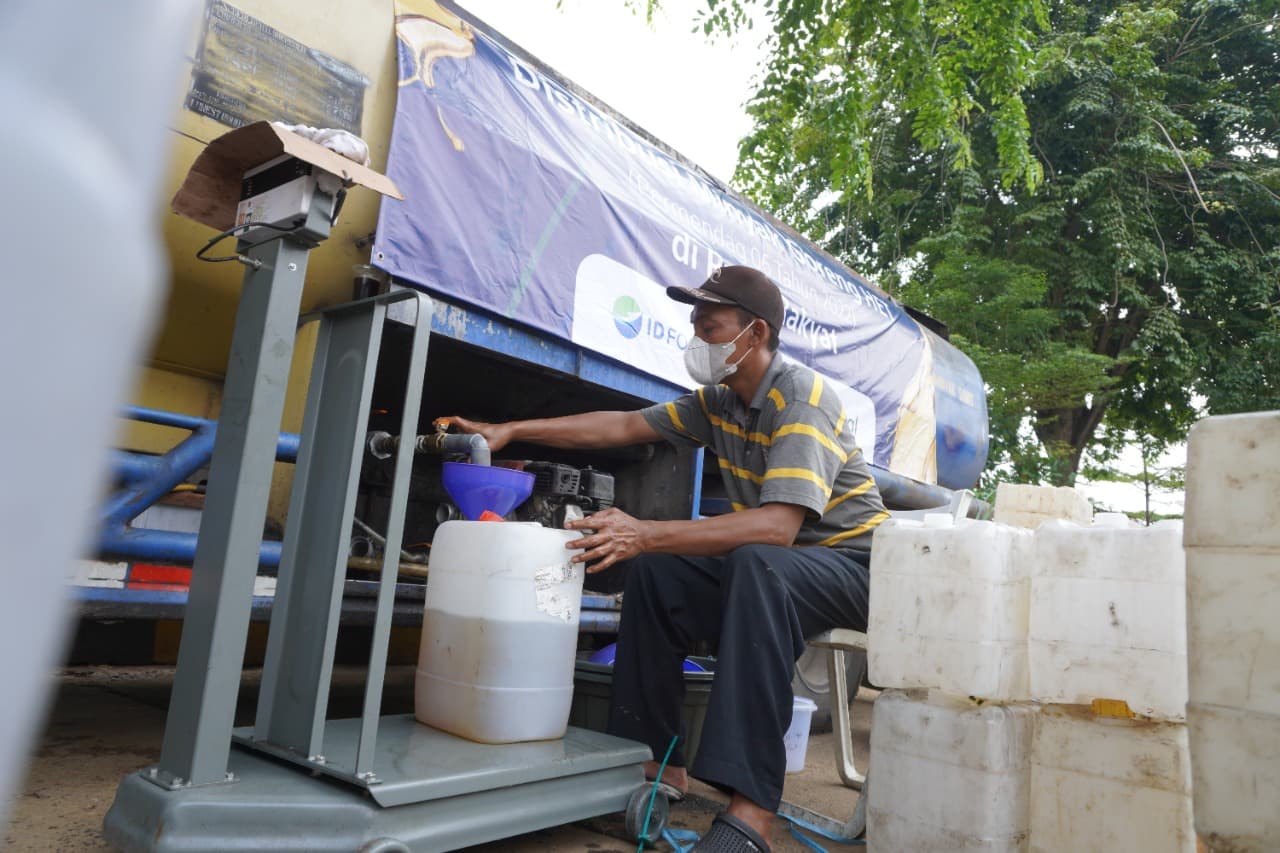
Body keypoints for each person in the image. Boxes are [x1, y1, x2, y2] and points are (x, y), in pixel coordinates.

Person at [442, 265, 888, 853]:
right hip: (788, 566)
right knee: (658, 572)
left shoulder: (800, 398)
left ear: (753, 335)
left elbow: (778, 529)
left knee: (751, 561)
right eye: (695, 324)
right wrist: (508, 430)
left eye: (710, 326)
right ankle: (658, 764)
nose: (697, 337)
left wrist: (644, 531)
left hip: (861, 569)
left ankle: (752, 812)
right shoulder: (721, 403)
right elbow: (624, 425)